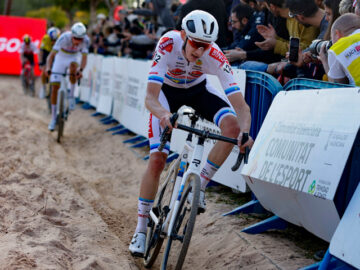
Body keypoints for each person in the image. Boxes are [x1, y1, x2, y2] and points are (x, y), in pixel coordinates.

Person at [128, 10, 254, 257]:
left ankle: (201, 187)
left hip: (197, 91)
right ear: (184, 35)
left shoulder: (214, 54)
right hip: (166, 95)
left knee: (232, 127)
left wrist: (245, 133)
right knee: (157, 159)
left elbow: (241, 106)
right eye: (195, 44)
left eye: (205, 46)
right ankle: (141, 229)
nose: (199, 52)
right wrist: (164, 115)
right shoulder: (168, 42)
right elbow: (150, 97)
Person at [46, 22, 90, 131]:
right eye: (75, 38)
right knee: (55, 87)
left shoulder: (86, 41)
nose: (77, 41)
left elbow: (84, 58)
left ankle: (71, 97)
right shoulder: (63, 38)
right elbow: (51, 56)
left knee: (73, 68)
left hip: (73, 58)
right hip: (61, 58)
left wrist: (81, 70)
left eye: (80, 39)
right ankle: (53, 118)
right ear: (71, 35)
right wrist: (48, 68)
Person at [319, 13, 360, 85]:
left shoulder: (337, 49)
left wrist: (324, 61)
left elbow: (337, 88)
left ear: (337, 34)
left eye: (332, 38)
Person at [38, 27, 61, 99]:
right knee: (44, 69)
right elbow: (41, 51)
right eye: (52, 40)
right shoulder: (45, 38)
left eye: (55, 40)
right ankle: (43, 86)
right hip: (46, 52)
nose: (53, 42)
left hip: (55, 52)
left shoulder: (60, 38)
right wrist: (40, 62)